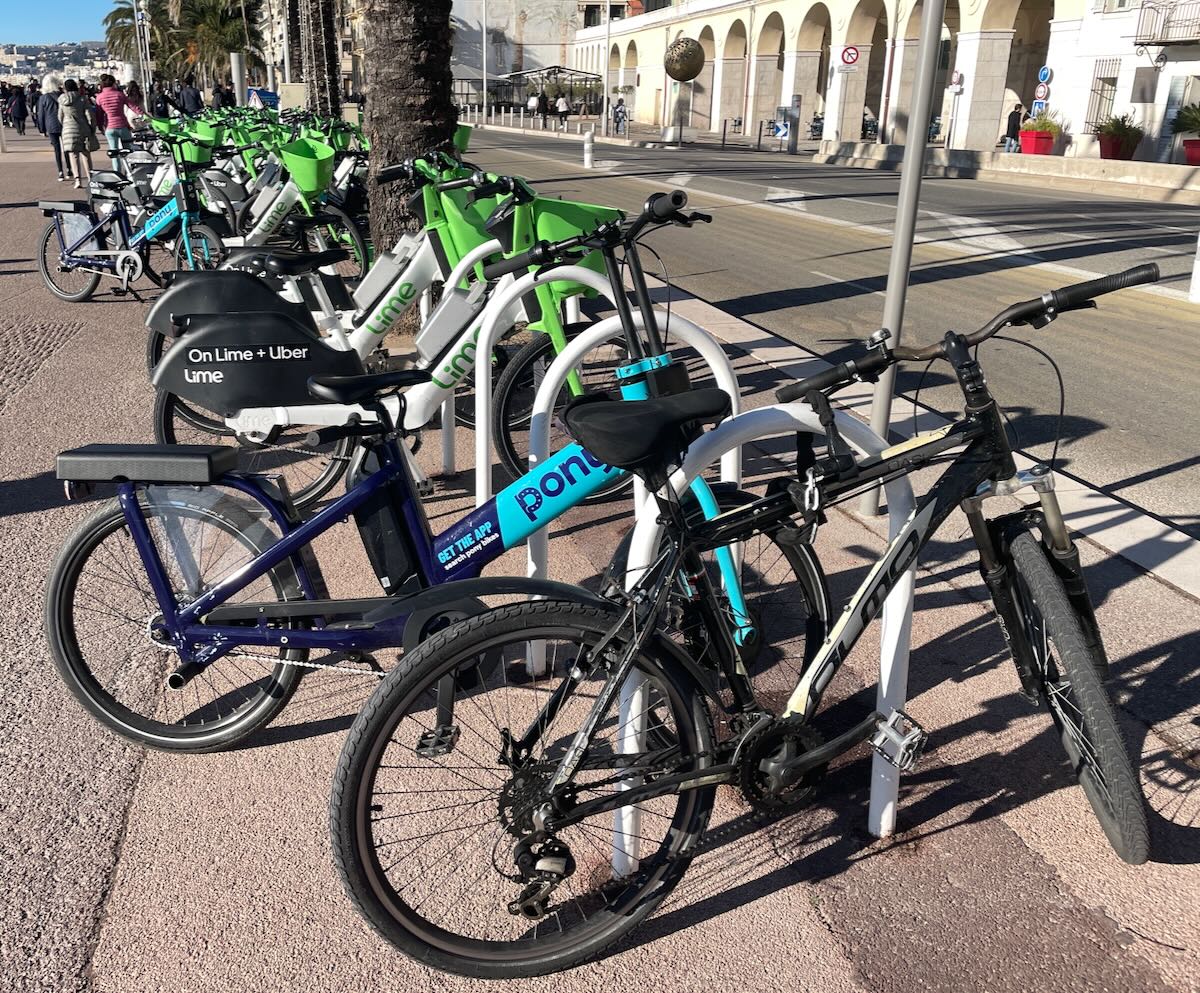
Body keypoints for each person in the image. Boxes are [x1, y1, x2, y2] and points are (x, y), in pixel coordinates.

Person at [59, 78, 96, 188]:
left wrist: (65, 125)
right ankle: (90, 178)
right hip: (82, 127)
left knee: (73, 155)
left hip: (68, 128)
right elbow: (89, 114)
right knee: (85, 153)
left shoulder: (62, 100)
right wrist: (92, 127)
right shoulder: (82, 98)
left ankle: (77, 180)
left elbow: (60, 116)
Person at [95, 73, 133, 168]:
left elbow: (99, 115)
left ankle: (118, 174)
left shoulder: (99, 97)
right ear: (113, 83)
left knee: (114, 153)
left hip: (110, 127)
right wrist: (144, 114)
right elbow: (132, 106)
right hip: (123, 126)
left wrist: (100, 127)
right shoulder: (119, 95)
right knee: (128, 151)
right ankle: (131, 171)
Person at [36, 74, 68, 181]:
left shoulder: (43, 98)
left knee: (57, 149)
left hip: (51, 125)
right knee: (67, 147)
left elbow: (40, 115)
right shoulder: (62, 95)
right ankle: (69, 168)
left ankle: (60, 171)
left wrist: (42, 129)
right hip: (64, 123)